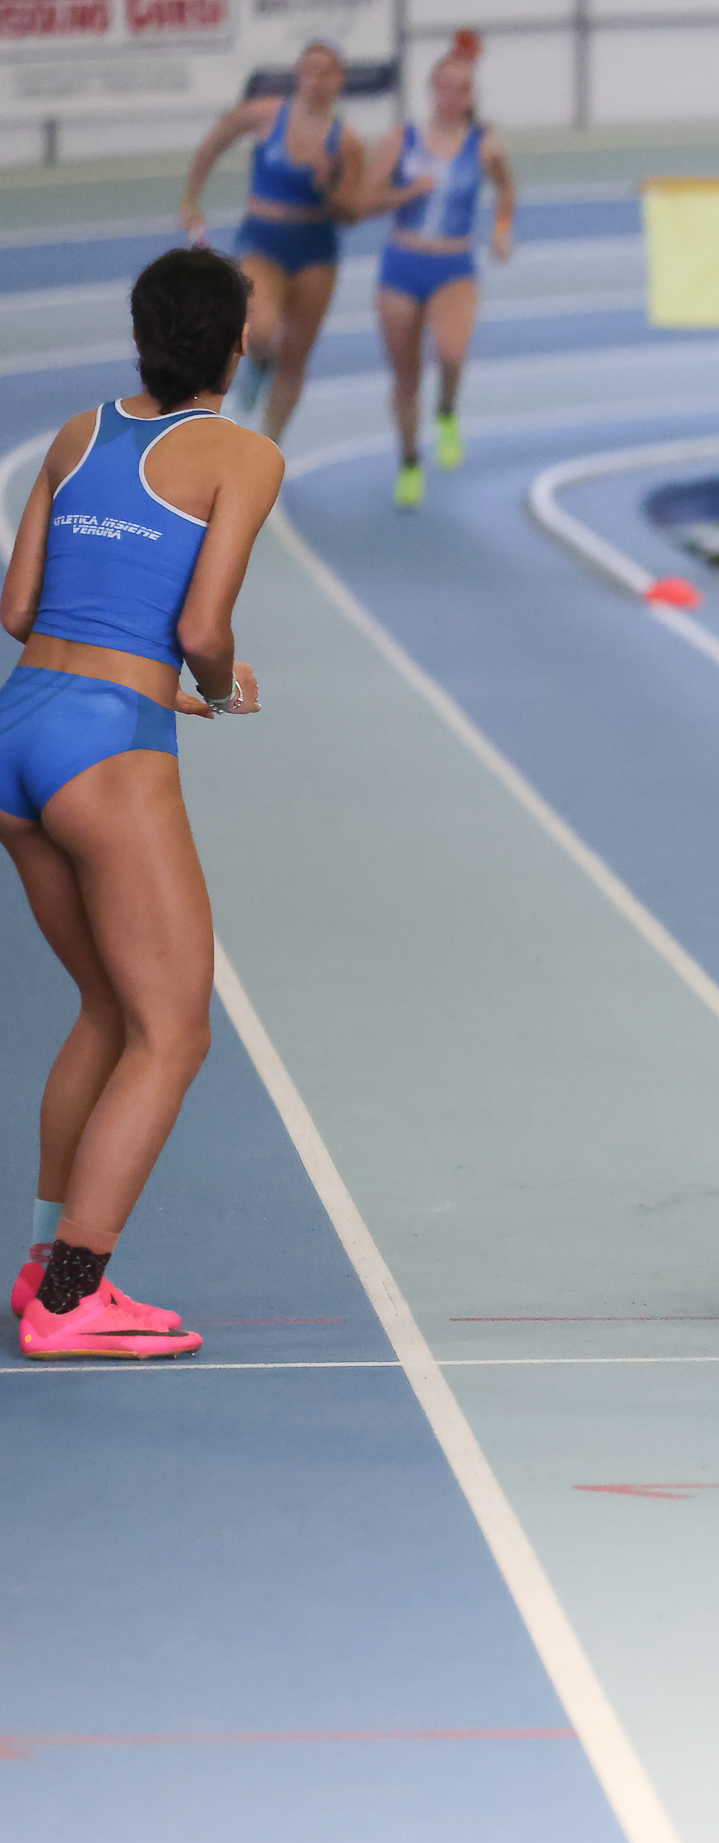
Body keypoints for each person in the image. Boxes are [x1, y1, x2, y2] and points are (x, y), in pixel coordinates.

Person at [3, 250, 280, 1358]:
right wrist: (217, 686)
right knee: (173, 1032)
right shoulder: (244, 456)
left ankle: (41, 1265)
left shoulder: (77, 435)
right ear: (237, 343)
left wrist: (137, 671)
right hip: (107, 750)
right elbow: (204, 627)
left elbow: (18, 608)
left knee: (106, 1011)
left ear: (141, 338)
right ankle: (73, 1297)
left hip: (20, 728)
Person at [179, 41, 371, 443]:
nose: (316, 81)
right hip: (263, 242)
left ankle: (269, 445)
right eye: (310, 70)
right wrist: (191, 200)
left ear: (339, 80)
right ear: (298, 74)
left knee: (296, 355)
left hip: (316, 250)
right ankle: (259, 363)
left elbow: (353, 213)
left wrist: (328, 188)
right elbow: (214, 142)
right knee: (262, 330)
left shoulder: (347, 142)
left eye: (326, 72)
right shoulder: (265, 115)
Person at [368, 36, 514, 511]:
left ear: (471, 96)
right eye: (444, 85)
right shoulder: (401, 139)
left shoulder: (484, 144)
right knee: (406, 374)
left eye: (462, 87)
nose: (452, 95)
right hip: (403, 261)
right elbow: (365, 201)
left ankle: (447, 410)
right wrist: (405, 193)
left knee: (451, 352)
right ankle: (410, 462)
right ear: (431, 89)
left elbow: (506, 191)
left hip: (453, 264)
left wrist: (501, 231)